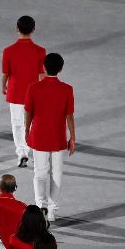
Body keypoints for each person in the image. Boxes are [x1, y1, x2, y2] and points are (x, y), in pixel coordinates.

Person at [25, 53, 75, 223]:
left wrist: (26, 131)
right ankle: (52, 210)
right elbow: (69, 116)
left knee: (39, 173)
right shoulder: (67, 89)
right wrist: (72, 138)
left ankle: (41, 206)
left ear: (44, 68)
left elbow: (28, 113)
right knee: (56, 174)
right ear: (60, 69)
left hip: (39, 136)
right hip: (58, 138)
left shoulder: (33, 88)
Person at [1, 16, 45, 168]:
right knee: (32, 124)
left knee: (17, 123)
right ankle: (33, 151)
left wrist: (3, 86)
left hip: (15, 92)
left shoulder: (8, 51)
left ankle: (22, 153)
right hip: (33, 93)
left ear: (17, 28)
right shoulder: (40, 51)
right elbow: (42, 74)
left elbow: (6, 73)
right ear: (33, 30)